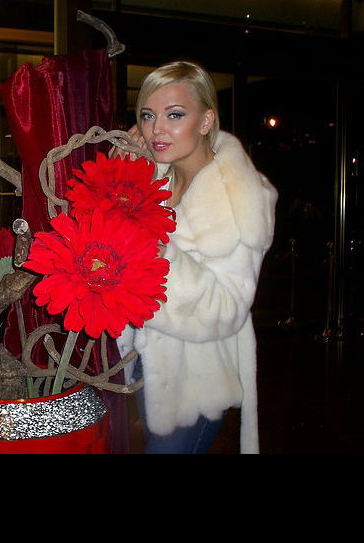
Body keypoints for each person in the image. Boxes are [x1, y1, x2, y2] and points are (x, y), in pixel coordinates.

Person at [114, 60, 277, 454]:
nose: (157, 129)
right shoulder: (153, 180)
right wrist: (125, 175)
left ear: (205, 121)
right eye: (148, 115)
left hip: (201, 380)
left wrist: (160, 251)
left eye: (174, 115)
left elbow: (228, 309)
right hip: (146, 362)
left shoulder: (242, 197)